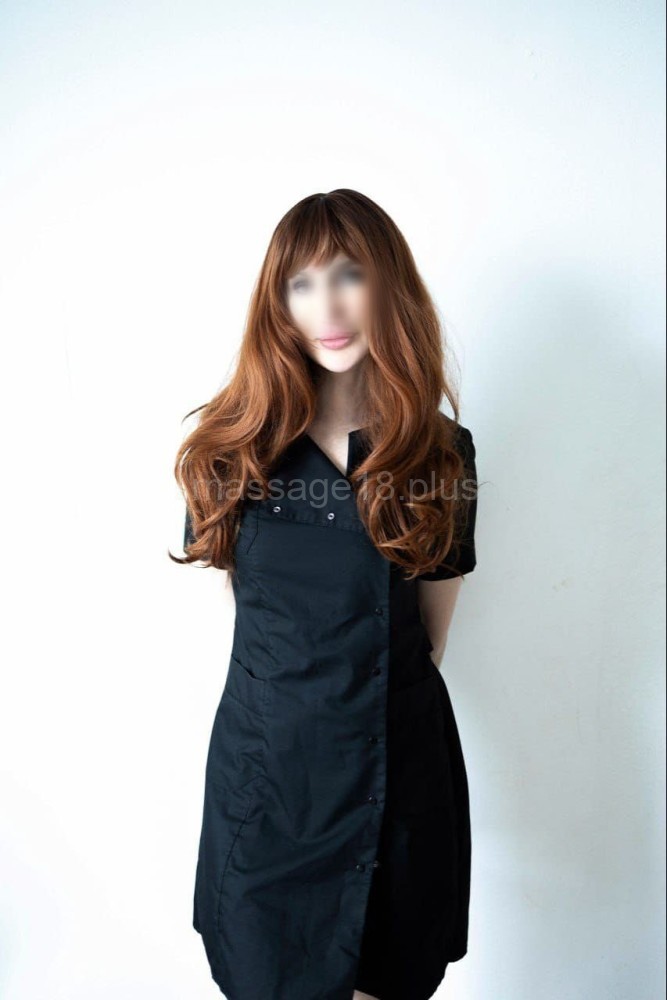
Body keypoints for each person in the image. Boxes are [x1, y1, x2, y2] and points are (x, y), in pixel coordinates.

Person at [171, 189, 480, 1000]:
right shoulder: (227, 454)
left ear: (388, 286)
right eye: (301, 283)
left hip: (398, 779)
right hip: (269, 785)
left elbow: (427, 639)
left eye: (348, 275)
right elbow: (249, 630)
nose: (327, 307)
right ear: (276, 302)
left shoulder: (439, 455)